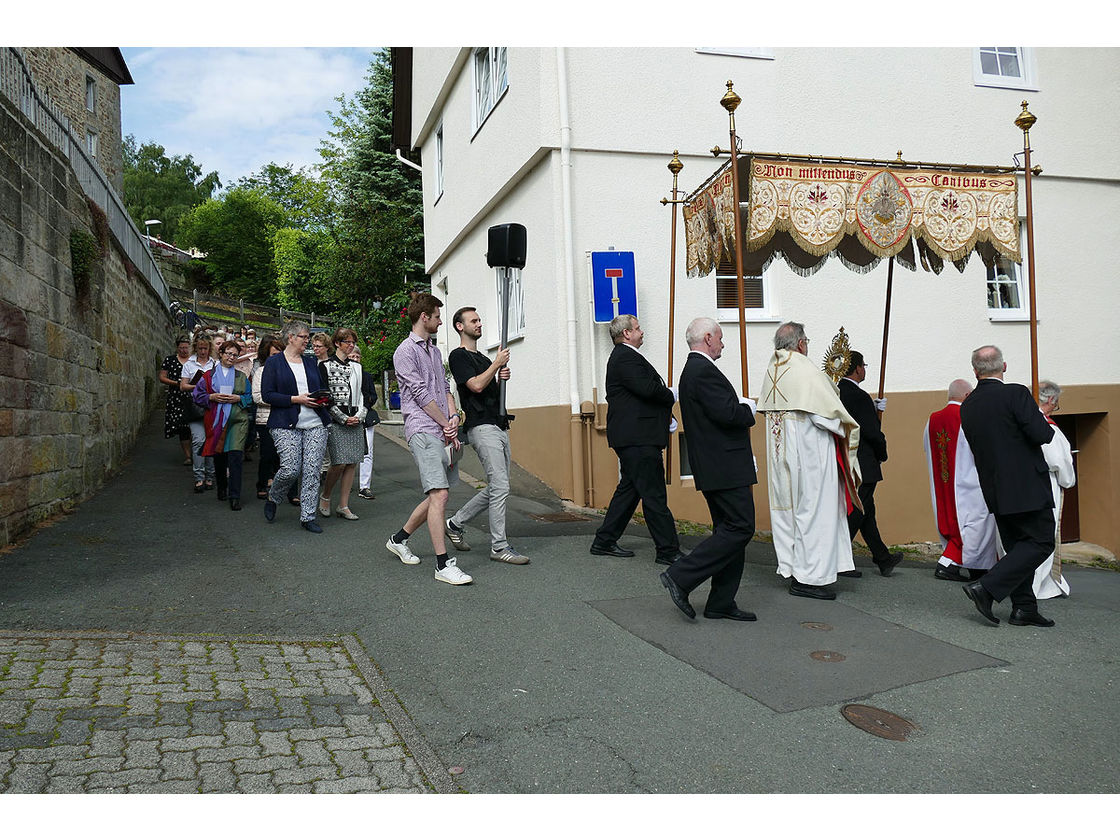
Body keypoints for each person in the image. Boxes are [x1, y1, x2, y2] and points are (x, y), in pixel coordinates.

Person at [659, 317, 758, 621]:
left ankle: (721, 601)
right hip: (724, 466)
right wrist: (747, 409)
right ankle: (680, 575)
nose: (723, 344)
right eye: (720, 338)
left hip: (716, 465)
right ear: (707, 338)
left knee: (729, 531)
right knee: (740, 528)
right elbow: (728, 415)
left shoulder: (694, 370)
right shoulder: (702, 371)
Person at [757, 322, 861, 599]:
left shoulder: (772, 369)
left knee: (789, 513)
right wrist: (846, 426)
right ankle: (810, 578)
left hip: (781, 456)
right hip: (811, 458)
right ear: (801, 343)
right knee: (814, 514)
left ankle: (794, 569)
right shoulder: (806, 370)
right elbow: (825, 417)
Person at [958, 345, 1056, 627]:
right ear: (1004, 367)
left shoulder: (969, 404)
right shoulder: (1015, 393)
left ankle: (1024, 607)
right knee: (1040, 542)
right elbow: (1042, 434)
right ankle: (987, 587)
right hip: (1025, 483)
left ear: (975, 371)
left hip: (995, 486)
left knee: (1017, 549)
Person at [385, 293, 472, 585]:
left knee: (439, 492)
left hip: (441, 426)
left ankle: (399, 539)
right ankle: (443, 564)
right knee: (440, 494)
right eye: (436, 316)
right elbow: (421, 396)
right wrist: (444, 424)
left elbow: (445, 389)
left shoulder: (434, 352)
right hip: (422, 427)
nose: (439, 321)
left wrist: (454, 418)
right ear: (424, 317)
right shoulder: (404, 352)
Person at [589, 314, 683, 565]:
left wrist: (665, 416)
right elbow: (648, 390)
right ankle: (668, 550)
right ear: (627, 333)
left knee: (630, 491)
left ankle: (604, 540)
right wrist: (671, 394)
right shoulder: (624, 357)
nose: (642, 332)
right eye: (638, 328)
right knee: (653, 494)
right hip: (637, 439)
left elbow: (641, 397)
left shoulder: (626, 357)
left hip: (636, 436)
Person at [445, 306, 530, 565]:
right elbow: (475, 385)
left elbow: (488, 385)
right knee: (501, 485)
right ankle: (499, 546)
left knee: (497, 487)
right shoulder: (458, 356)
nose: (479, 324)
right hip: (482, 427)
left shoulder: (482, 357)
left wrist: (500, 373)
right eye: (474, 321)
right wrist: (497, 364)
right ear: (460, 326)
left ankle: (455, 523)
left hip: (499, 425)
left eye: (480, 320)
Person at [260, 321, 333, 533]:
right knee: (291, 469)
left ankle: (308, 516)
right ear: (290, 338)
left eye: (308, 336)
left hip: (315, 423)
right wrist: (296, 399)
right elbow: (267, 395)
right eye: (303, 336)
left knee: (312, 470)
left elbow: (321, 389)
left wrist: (322, 399)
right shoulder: (274, 363)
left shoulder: (311, 362)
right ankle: (274, 496)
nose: (307, 340)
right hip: (285, 422)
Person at [923, 379, 998, 582]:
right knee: (978, 525)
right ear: (967, 396)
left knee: (955, 523)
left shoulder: (933, 419)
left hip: (942, 484)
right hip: (969, 484)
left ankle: (976, 566)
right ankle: (952, 564)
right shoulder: (968, 417)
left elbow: (928, 447)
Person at [838, 350, 902, 577]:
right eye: (863, 365)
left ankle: (883, 558)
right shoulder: (859, 396)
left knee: (867, 511)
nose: (864, 369)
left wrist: (873, 410)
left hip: (844, 459)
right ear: (857, 369)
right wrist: (882, 452)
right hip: (863, 462)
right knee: (858, 510)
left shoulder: (835, 391)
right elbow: (872, 433)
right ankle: (837, 559)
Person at [192, 340, 253, 510]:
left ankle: (235, 496)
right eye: (228, 353)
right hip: (216, 421)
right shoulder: (208, 376)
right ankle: (222, 487)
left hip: (237, 421)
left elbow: (250, 398)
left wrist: (239, 398)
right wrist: (211, 397)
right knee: (219, 456)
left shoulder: (242, 377)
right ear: (221, 354)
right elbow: (197, 395)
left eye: (235, 355)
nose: (231, 357)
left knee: (235, 457)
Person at [317, 328, 367, 522]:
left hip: (354, 416)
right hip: (336, 418)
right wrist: (341, 417)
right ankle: (326, 495)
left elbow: (363, 395)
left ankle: (344, 505)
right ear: (337, 343)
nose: (351, 345)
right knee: (338, 462)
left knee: (352, 462)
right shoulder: (325, 366)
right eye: (347, 342)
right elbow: (325, 396)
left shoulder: (357, 367)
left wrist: (360, 415)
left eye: (353, 342)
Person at [1034, 380, 1075, 599]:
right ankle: (1037, 586)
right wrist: (1068, 479)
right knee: (1041, 537)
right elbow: (1059, 462)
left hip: (1014, 486)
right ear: (1050, 400)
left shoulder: (1014, 422)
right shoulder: (1047, 428)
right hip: (1044, 487)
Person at [180, 334, 217, 493]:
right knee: (198, 440)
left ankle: (210, 476)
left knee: (211, 441)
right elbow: (183, 386)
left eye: (205, 348)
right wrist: (200, 386)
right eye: (200, 348)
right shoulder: (189, 364)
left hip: (211, 406)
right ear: (196, 348)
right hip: (195, 407)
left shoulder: (215, 363)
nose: (203, 351)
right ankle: (199, 477)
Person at [251, 337, 286, 501]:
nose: (276, 357)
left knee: (283, 456)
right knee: (267, 454)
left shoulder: (287, 371)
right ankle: (262, 484)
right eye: (273, 354)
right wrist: (281, 400)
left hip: (284, 419)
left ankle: (280, 487)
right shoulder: (261, 372)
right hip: (265, 420)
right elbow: (258, 397)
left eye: (279, 354)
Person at [159, 336, 194, 466]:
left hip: (193, 396)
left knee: (193, 425)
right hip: (176, 396)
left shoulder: (194, 360)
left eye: (186, 348)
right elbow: (162, 377)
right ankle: (188, 455)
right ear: (177, 348)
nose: (184, 350)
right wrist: (176, 383)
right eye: (181, 348)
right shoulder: (170, 360)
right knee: (182, 426)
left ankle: (194, 451)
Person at [354, 345, 380, 501]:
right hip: (346, 418)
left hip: (366, 418)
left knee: (368, 452)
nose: (355, 360)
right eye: (352, 357)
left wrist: (365, 405)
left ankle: (364, 486)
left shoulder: (367, 376)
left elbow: (373, 396)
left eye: (357, 357)